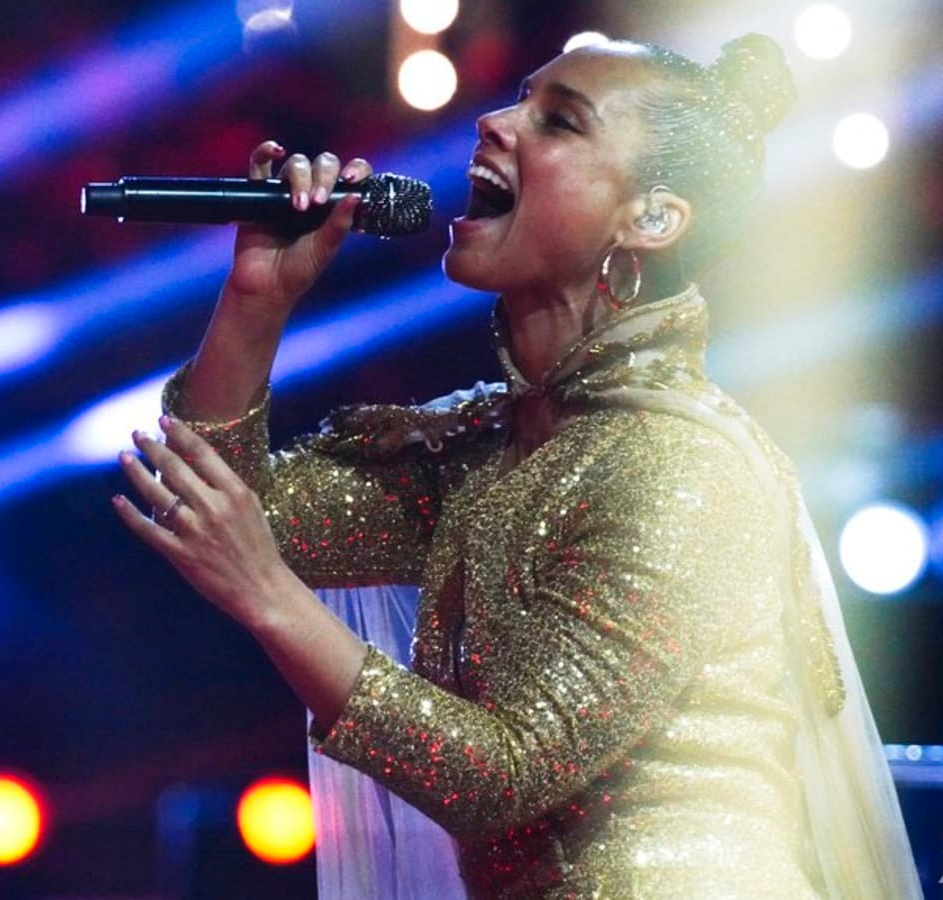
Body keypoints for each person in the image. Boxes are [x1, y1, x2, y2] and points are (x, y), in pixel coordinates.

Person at [111, 34, 921, 899]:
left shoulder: (680, 466)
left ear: (650, 219)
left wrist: (270, 597)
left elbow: (506, 773)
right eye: (519, 99)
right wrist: (257, 300)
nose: (493, 121)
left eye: (559, 122)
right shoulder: (491, 446)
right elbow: (226, 510)